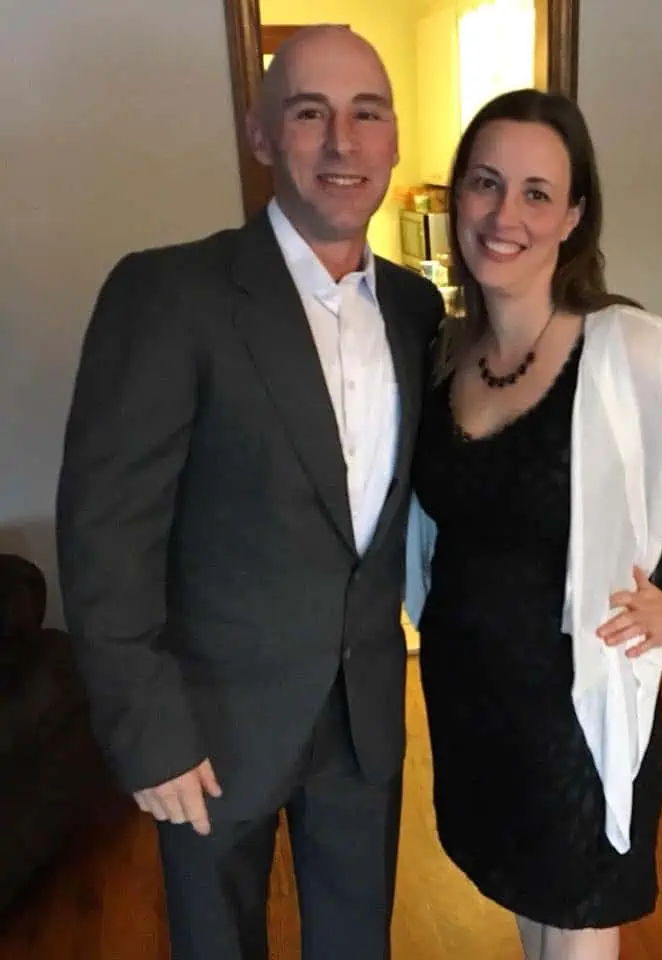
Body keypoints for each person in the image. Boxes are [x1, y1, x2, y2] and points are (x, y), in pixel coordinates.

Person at [404, 89, 662, 960]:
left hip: (574, 717)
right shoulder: (449, 356)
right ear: (456, 199)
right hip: (469, 701)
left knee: (577, 931)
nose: (504, 213)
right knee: (527, 912)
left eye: (536, 192)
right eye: (485, 184)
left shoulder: (630, 351)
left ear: (574, 216)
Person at [56, 25, 442, 960]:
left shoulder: (418, 309)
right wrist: (146, 731)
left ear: (393, 138)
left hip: (366, 719)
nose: (342, 143)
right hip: (210, 729)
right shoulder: (168, 294)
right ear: (261, 135)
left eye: (366, 114)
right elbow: (105, 531)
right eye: (310, 114)